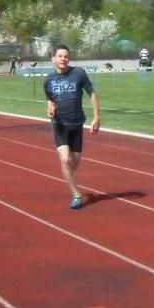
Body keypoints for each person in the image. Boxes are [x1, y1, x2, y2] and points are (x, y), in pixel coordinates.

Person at [44, 45, 101, 209]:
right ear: (53, 59)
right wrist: (50, 108)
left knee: (74, 164)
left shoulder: (79, 73)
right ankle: (76, 195)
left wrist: (96, 117)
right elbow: (50, 99)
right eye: (60, 56)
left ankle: (70, 176)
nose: (63, 59)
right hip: (59, 124)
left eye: (66, 56)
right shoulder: (49, 80)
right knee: (65, 159)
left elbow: (92, 93)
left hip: (77, 124)